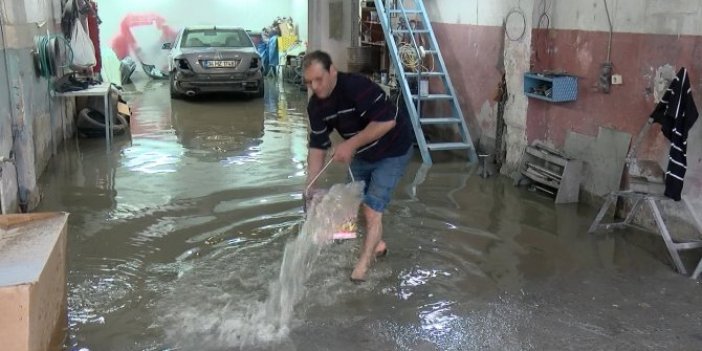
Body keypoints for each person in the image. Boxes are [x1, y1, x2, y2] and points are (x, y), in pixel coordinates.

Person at [302, 50, 414, 282]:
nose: (314, 86)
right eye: (309, 82)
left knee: (372, 208)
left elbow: (387, 121)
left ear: (332, 71)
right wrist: (311, 185)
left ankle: (361, 270)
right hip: (364, 152)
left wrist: (350, 144)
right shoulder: (316, 106)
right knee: (349, 204)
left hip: (394, 148)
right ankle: (378, 244)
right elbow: (318, 145)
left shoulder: (356, 87)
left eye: (318, 79)